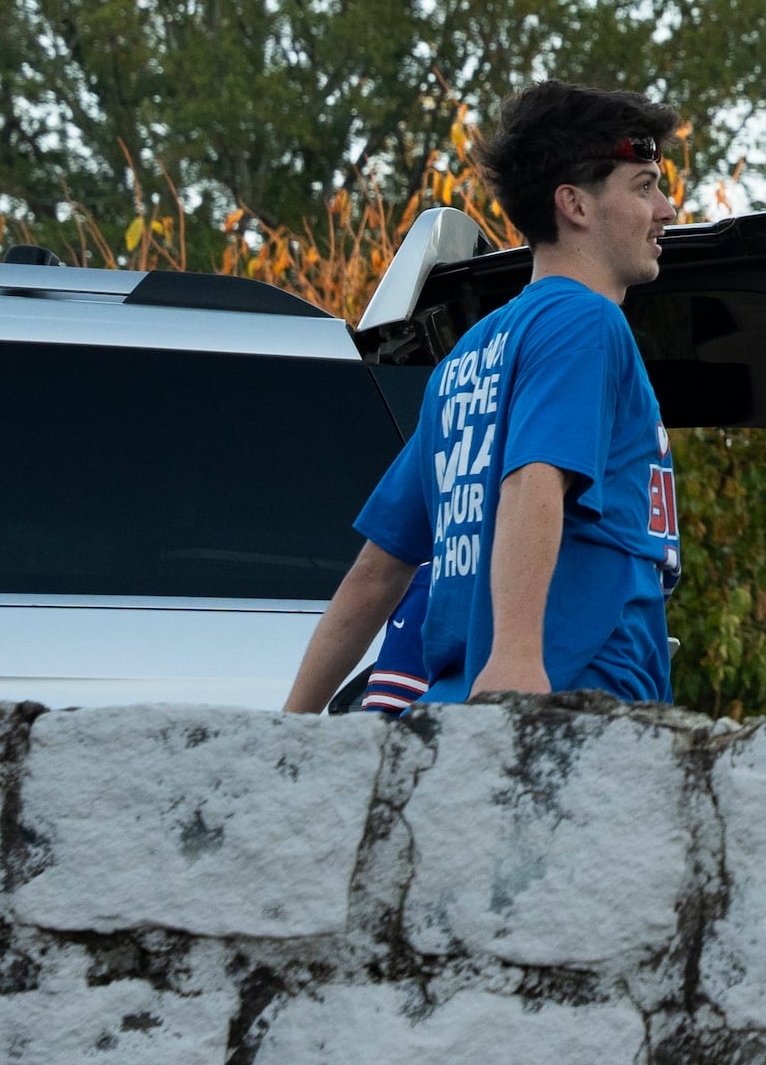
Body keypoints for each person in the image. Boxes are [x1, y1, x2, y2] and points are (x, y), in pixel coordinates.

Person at [286, 82, 685, 713]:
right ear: (575, 204)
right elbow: (533, 482)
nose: (666, 210)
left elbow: (378, 572)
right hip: (569, 708)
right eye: (645, 186)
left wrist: (293, 726)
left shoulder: (467, 358)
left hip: (458, 712)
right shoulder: (586, 321)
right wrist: (517, 663)